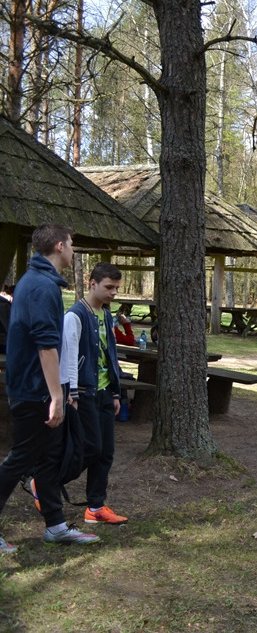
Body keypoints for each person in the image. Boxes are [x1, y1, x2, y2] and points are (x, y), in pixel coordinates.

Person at [0, 224, 100, 550]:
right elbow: (46, 346)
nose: (73, 251)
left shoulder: (36, 282)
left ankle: (56, 526)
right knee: (20, 459)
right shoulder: (42, 287)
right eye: (71, 245)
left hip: (35, 388)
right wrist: (58, 395)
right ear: (59, 246)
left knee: (46, 459)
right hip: (34, 392)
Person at [60, 262, 129, 525]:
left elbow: (110, 355)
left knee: (106, 452)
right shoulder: (75, 316)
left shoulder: (107, 315)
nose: (113, 293)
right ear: (92, 283)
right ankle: (45, 483)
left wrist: (114, 392)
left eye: (116, 288)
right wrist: (72, 394)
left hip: (103, 393)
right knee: (89, 448)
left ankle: (96, 507)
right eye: (108, 287)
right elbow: (68, 359)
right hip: (83, 393)